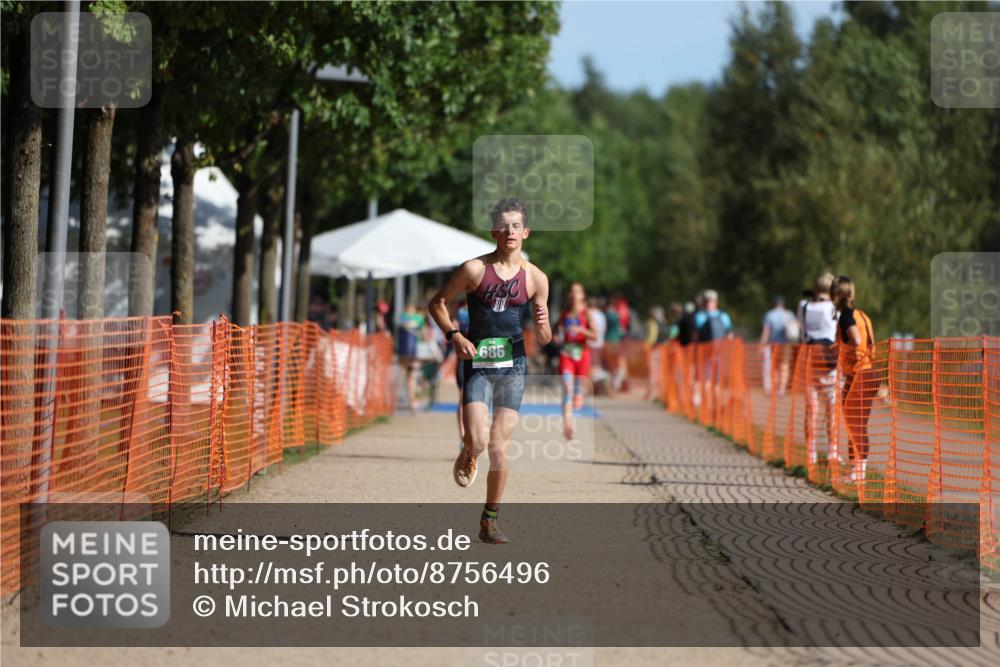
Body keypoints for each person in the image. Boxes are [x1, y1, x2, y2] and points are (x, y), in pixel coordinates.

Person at [428, 198, 551, 544]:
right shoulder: (474, 270)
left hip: (514, 366)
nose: (510, 231)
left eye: (517, 226)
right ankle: (469, 452)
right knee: (479, 441)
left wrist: (542, 325)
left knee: (499, 445)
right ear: (494, 230)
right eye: (504, 225)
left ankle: (489, 519)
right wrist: (454, 336)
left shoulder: (537, 278)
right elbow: (436, 303)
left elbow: (544, 337)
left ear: (526, 232)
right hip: (478, 365)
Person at [832, 276, 876, 483]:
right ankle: (859, 472)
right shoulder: (862, 315)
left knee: (853, 424)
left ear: (836, 295)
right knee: (858, 424)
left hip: (858, 374)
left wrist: (841, 348)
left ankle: (856, 472)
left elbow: (856, 340)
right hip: (870, 372)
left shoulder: (846, 316)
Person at [798, 272, 839, 465]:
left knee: (811, 408)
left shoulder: (803, 306)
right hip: (829, 360)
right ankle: (832, 450)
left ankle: (811, 452)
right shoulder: (833, 308)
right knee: (831, 408)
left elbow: (801, 330)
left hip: (808, 358)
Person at [555, 283, 597, 439]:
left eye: (578, 292)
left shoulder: (586, 314)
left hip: (582, 356)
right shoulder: (564, 313)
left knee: (578, 396)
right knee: (567, 389)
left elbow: (595, 335)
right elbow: (557, 330)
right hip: (566, 355)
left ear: (582, 296)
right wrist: (557, 337)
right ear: (569, 296)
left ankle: (579, 395)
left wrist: (581, 330)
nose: (574, 295)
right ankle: (568, 424)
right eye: (572, 292)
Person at [759, 295, 795, 397]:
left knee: (773, 367)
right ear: (783, 304)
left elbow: (766, 332)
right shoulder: (789, 314)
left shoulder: (769, 315)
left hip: (773, 345)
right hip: (787, 345)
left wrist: (762, 345)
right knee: (784, 366)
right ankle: (781, 389)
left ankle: (772, 388)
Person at [397, 302, 425, 415]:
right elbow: (422, 334)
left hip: (403, 352)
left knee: (401, 375)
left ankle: (393, 400)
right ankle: (412, 402)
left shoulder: (402, 317)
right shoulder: (419, 318)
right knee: (412, 378)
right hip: (414, 352)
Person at [586, 295, 608, 394]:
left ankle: (591, 388)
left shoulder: (589, 314)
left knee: (590, 367)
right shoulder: (601, 315)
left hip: (590, 343)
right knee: (597, 365)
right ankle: (598, 387)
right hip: (600, 343)